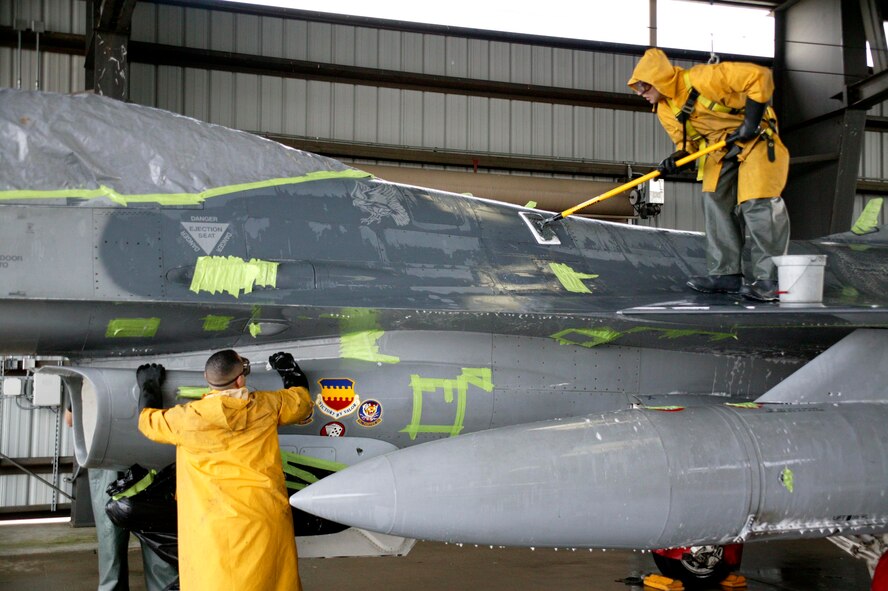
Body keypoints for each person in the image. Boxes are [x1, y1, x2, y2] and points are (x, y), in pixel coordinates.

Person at [137, 350, 313, 591]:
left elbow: (147, 421)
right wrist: (288, 369)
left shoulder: (186, 420)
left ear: (207, 378)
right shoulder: (267, 406)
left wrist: (148, 383)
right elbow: (301, 402)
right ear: (240, 379)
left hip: (210, 523)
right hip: (263, 516)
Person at [628, 47, 791, 301]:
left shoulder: (704, 78)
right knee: (714, 203)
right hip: (717, 151)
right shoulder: (664, 109)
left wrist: (750, 122)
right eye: (637, 89)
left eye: (644, 88)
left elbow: (760, 77)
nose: (641, 94)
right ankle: (726, 274)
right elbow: (687, 145)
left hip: (755, 139)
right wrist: (677, 158)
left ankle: (769, 279)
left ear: (658, 79)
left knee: (757, 203)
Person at [64, 408, 178, 591]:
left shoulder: (92, 379)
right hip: (154, 447)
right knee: (157, 534)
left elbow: (70, 419)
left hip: (109, 450)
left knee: (111, 540)